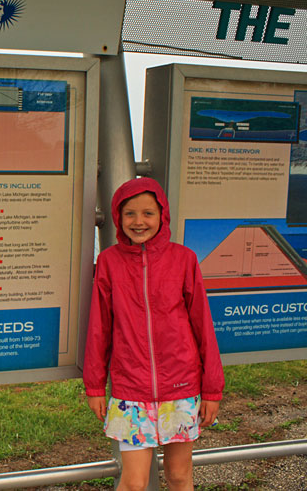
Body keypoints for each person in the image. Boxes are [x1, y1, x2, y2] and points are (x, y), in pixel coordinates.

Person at [84, 177, 224, 491]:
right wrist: (94, 386)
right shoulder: (108, 262)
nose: (139, 221)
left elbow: (203, 327)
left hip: (181, 388)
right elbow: (99, 329)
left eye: (148, 212)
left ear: (163, 215)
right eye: (129, 213)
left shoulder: (183, 260)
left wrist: (212, 390)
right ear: (118, 218)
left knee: (178, 475)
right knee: (133, 483)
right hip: (130, 390)